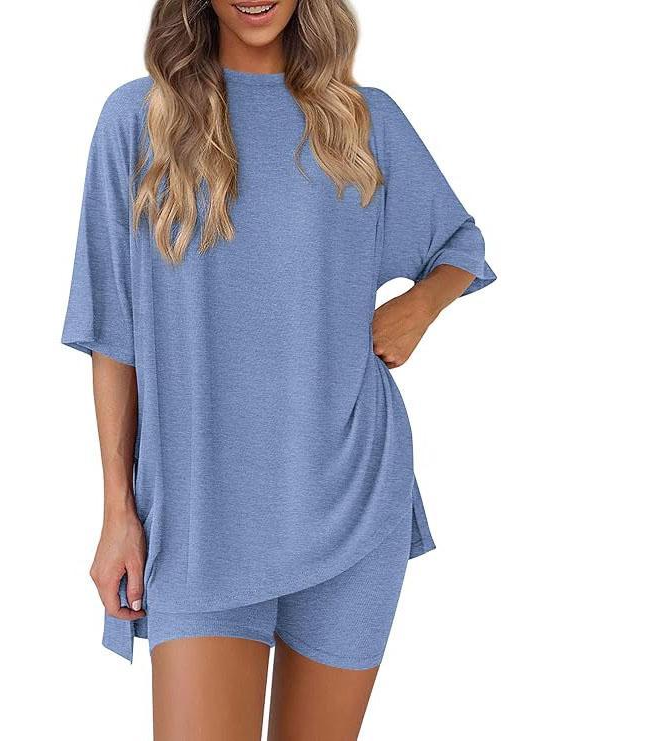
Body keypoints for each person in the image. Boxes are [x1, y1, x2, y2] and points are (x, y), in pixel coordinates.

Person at [61, 1, 495, 738]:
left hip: (351, 500)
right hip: (197, 521)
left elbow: (461, 241)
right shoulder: (138, 120)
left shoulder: (360, 122)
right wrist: (116, 512)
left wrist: (419, 306)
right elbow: (114, 334)